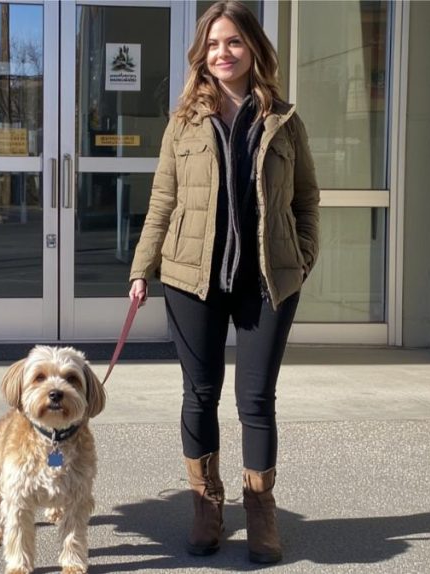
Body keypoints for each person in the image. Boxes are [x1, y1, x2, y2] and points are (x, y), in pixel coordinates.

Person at [128, 0, 319, 565]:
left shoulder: (284, 119)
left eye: (233, 42)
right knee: (200, 393)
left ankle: (261, 513)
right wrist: (143, 269)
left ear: (254, 49)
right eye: (213, 44)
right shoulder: (184, 120)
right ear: (201, 55)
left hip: (265, 282)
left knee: (256, 399)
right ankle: (206, 505)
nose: (223, 53)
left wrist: (302, 257)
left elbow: (306, 198)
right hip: (192, 279)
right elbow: (163, 199)